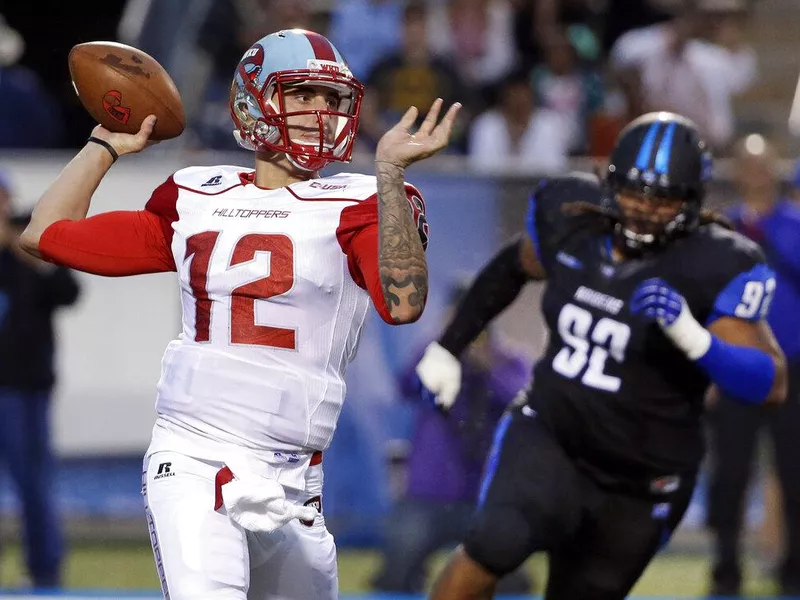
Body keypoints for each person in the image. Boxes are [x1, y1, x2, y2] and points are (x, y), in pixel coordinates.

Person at [19, 29, 461, 600]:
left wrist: (393, 179)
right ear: (254, 101)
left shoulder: (363, 201)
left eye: (332, 100)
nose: (320, 112)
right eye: (302, 94)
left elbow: (402, 304)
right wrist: (104, 144)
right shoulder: (195, 194)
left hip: (295, 478)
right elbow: (45, 235)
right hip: (193, 453)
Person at [416, 111, 788, 600]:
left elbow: (769, 384)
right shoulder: (574, 218)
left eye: (663, 198)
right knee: (491, 545)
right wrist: (451, 344)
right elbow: (513, 267)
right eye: (633, 191)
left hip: (642, 475)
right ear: (611, 183)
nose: (642, 208)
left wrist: (694, 337)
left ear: (692, 201)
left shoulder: (715, 263)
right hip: (553, 436)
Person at [372, 281, 533, 594]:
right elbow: (408, 387)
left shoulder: (508, 359)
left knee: (511, 582)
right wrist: (445, 349)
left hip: (484, 494)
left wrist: (488, 367)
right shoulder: (435, 353)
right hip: (430, 492)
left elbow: (521, 402)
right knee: (396, 574)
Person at [705, 134, 800, 596]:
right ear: (738, 171)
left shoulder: (793, 224)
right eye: (749, 164)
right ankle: (726, 568)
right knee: (730, 472)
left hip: (793, 369)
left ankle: (794, 569)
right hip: (737, 366)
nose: (757, 173)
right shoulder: (722, 229)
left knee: (795, 469)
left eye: (765, 164)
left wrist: (767, 232)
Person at [0, 172, 80, 589]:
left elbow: (68, 292)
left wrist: (34, 258)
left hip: (27, 387)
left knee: (34, 483)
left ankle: (44, 572)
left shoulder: (25, 244)